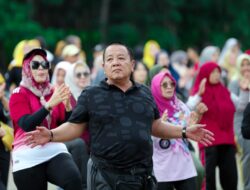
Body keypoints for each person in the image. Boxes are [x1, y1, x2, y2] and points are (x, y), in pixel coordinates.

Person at [26, 43, 214, 190]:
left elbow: (155, 126)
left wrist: (184, 131)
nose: (115, 62)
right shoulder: (92, 94)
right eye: (110, 59)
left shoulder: (145, 93)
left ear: (132, 64)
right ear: (104, 66)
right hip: (106, 176)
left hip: (143, 176)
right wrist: (50, 135)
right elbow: (75, 126)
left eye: (121, 58)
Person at [9, 48, 82, 190]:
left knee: (73, 180)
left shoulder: (54, 91)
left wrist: (67, 107)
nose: (41, 69)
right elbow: (26, 124)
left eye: (45, 64)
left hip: (53, 146)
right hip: (27, 151)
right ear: (26, 69)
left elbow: (64, 125)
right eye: (35, 65)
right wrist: (49, 105)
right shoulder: (18, 93)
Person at [151, 71, 207, 190]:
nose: (169, 87)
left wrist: (194, 121)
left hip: (184, 166)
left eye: (172, 84)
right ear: (156, 87)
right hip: (162, 169)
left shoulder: (179, 105)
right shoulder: (151, 108)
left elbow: (187, 128)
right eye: (164, 85)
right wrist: (160, 127)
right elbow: (146, 137)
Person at [190, 62, 239, 190]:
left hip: (227, 141)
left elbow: (240, 105)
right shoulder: (199, 91)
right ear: (205, 74)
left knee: (231, 179)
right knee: (208, 181)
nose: (217, 75)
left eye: (218, 72)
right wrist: (199, 95)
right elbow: (188, 107)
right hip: (208, 142)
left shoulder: (224, 91)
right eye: (213, 72)